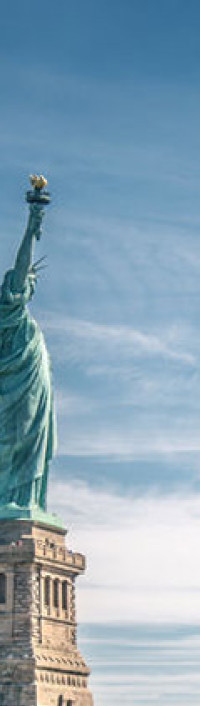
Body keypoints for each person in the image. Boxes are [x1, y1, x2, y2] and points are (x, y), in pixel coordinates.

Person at [0, 197, 56, 514]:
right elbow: (21, 270)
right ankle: (14, 501)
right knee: (12, 444)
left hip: (35, 394)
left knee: (32, 446)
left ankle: (27, 500)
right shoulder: (9, 314)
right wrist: (32, 225)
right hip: (16, 395)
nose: (29, 284)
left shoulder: (22, 323)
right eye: (26, 282)